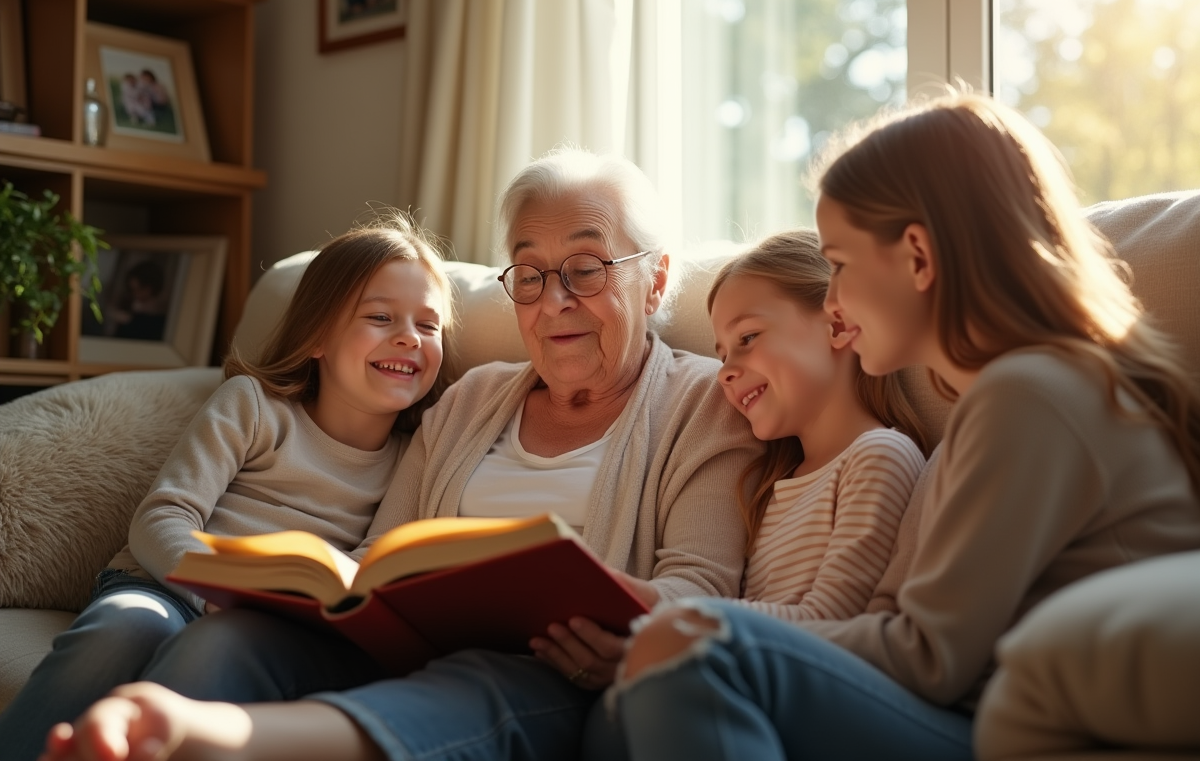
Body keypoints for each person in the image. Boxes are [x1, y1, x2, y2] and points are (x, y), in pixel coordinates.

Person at [37, 148, 762, 761]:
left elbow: (698, 587)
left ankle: (212, 734)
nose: (552, 301)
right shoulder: (473, 396)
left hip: (544, 678)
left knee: (482, 679)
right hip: (398, 653)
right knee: (223, 643)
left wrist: (629, 640)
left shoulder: (704, 403)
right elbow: (384, 550)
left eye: (585, 267)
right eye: (531, 273)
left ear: (657, 279)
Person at [605, 91, 1200, 760]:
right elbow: (889, 622)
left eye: (838, 265)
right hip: (951, 711)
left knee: (691, 654)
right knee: (631, 696)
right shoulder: (989, 410)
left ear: (917, 256)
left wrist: (695, 625)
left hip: (982, 725)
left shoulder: (1031, 395)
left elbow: (927, 656)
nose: (832, 301)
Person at [1, 214, 453, 761]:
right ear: (317, 336)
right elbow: (162, 518)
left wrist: (268, 608)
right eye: (380, 316)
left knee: (210, 652)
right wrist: (217, 592)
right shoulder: (254, 406)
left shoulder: (415, 453)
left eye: (428, 326)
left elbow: (366, 567)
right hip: (165, 584)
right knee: (121, 630)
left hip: (273, 625)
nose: (408, 336)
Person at [703, 230, 927, 627]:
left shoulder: (879, 456)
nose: (724, 372)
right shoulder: (772, 487)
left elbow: (830, 621)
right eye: (721, 355)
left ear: (839, 324)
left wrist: (684, 616)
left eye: (747, 338)